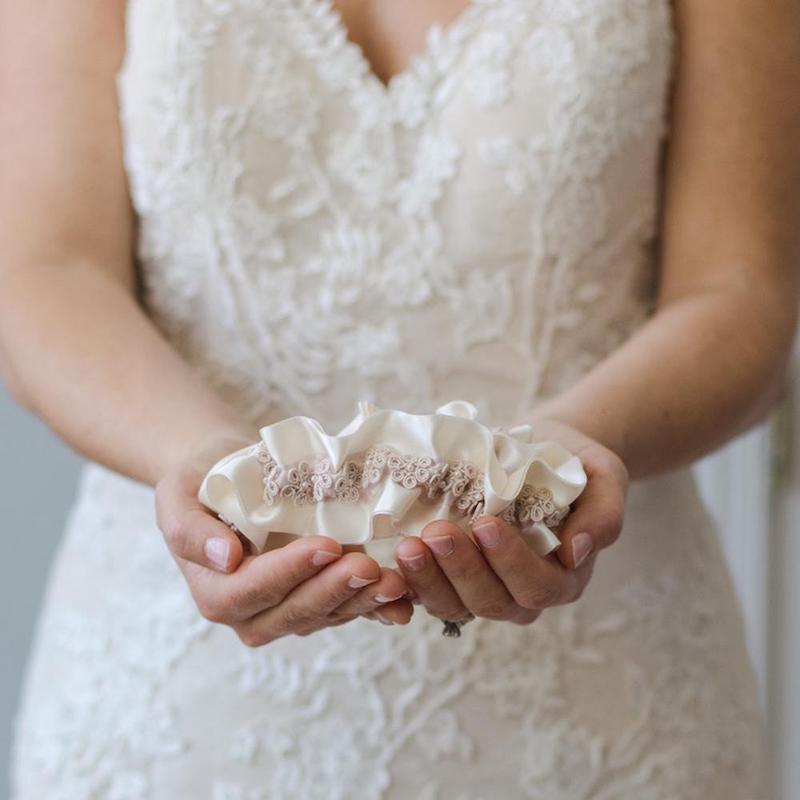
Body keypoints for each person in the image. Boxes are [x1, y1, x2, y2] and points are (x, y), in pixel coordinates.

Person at [2, 0, 798, 797]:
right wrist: (200, 466)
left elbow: (739, 291)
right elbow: (44, 270)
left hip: (607, 701)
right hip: (174, 703)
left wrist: (557, 459)